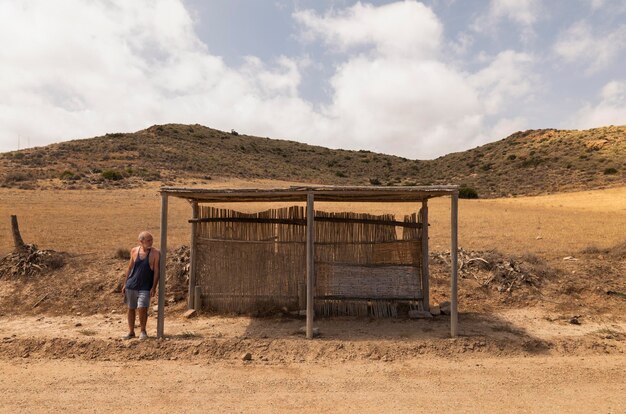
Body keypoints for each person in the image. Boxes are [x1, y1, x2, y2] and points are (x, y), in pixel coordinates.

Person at [122, 231, 160, 340]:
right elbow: (130, 268)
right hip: (131, 285)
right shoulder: (134, 251)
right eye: (148, 240)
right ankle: (131, 332)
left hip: (145, 286)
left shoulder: (155, 253)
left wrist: (154, 287)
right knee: (130, 308)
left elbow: (157, 271)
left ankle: (143, 331)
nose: (150, 242)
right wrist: (125, 284)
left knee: (142, 307)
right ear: (141, 241)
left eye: (151, 240)